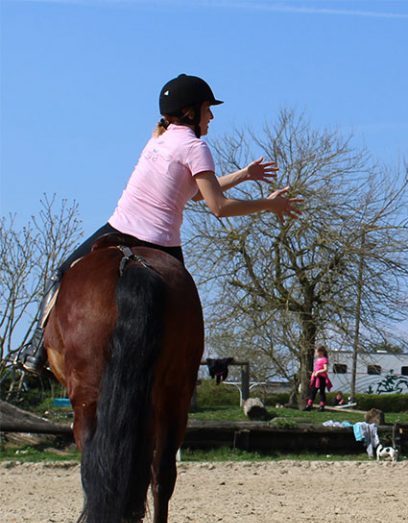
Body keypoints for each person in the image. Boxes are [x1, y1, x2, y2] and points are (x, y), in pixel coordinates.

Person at [17, 74, 301, 375]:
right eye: (208, 109)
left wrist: (244, 174)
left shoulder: (158, 140)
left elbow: (193, 195)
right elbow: (217, 206)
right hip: (161, 243)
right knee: (183, 315)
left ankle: (37, 349)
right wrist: (270, 204)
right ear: (190, 112)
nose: (212, 116)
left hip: (117, 229)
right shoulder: (196, 148)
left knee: (63, 271)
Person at [304, 346, 332, 411]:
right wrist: (313, 374)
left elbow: (325, 369)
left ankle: (322, 406)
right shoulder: (317, 360)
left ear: (321, 352)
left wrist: (318, 372)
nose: (316, 353)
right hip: (316, 378)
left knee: (322, 392)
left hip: (321, 378)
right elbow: (316, 369)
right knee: (313, 391)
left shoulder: (324, 359)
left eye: (317, 352)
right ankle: (309, 405)